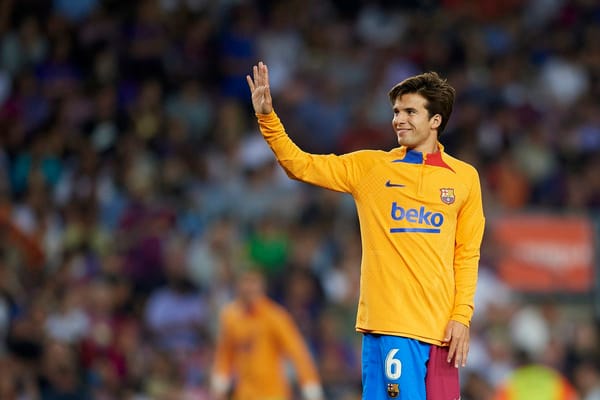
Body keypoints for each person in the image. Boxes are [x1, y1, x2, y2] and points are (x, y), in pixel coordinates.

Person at [246, 62, 485, 400]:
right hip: (391, 327)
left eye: (410, 111)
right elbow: (301, 165)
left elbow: (467, 253)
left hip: (443, 333)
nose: (398, 119)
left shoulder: (464, 178)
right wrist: (268, 118)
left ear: (436, 120)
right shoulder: (371, 168)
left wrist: (461, 318)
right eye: (396, 111)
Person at [211, 268, 324, 400]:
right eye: (245, 282)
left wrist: (310, 385)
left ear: (262, 286)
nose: (249, 287)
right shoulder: (230, 316)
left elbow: (297, 351)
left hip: (272, 394)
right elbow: (225, 352)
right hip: (244, 394)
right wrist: (220, 384)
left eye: (253, 282)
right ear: (238, 285)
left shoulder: (275, 316)